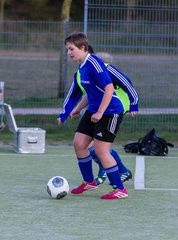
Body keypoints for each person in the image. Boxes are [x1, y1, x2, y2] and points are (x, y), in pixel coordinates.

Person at [60, 32, 127, 199]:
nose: (69, 53)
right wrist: (78, 108)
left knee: (101, 150)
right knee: (79, 143)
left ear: (83, 48)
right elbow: (91, 92)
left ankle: (120, 189)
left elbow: (109, 89)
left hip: (110, 111)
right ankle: (89, 182)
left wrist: (100, 112)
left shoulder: (94, 64)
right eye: (67, 49)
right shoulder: (82, 67)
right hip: (95, 110)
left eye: (71, 49)